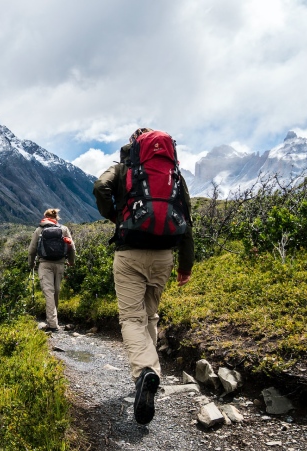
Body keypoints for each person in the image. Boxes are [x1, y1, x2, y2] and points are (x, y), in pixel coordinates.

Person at [93, 128, 194, 425]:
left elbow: (100, 187)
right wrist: (185, 266)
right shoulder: (173, 174)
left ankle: (145, 373)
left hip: (129, 253)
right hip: (164, 255)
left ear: (134, 146)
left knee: (131, 319)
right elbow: (186, 218)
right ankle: (151, 373)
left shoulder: (124, 168)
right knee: (150, 316)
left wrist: (115, 215)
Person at [28, 208, 75, 332]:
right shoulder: (63, 229)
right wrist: (71, 262)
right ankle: (54, 320)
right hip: (60, 264)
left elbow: (32, 250)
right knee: (56, 291)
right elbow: (72, 247)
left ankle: (52, 324)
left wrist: (31, 263)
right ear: (56, 218)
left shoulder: (39, 230)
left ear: (45, 217)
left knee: (49, 292)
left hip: (44, 264)